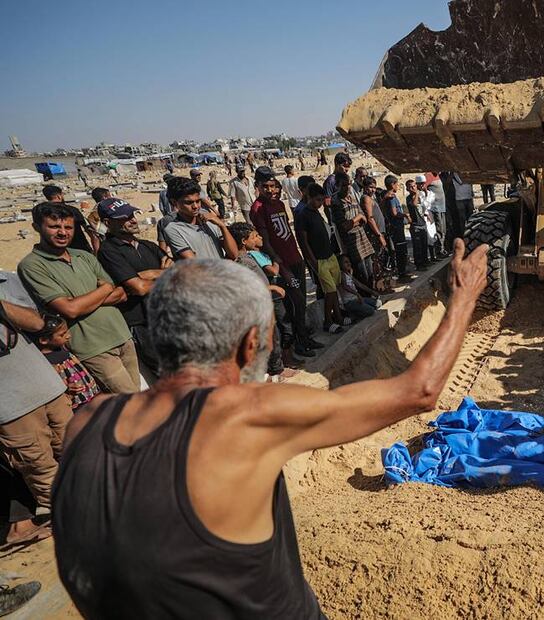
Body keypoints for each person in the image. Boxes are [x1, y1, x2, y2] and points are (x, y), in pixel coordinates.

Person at [51, 241, 488, 617]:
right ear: (249, 344)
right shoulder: (247, 416)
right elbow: (419, 390)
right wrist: (464, 297)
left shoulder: (89, 420)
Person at [18, 202, 139, 394]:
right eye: (54, 226)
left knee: (137, 399)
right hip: (93, 347)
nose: (63, 233)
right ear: (36, 227)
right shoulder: (32, 266)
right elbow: (69, 310)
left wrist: (82, 300)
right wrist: (104, 289)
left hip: (121, 336)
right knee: (132, 402)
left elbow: (121, 294)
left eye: (68, 227)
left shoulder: (83, 256)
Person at [0, 270, 73, 516]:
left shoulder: (5, 280)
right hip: (9, 405)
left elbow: (37, 323)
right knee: (38, 464)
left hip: (46, 385)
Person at [95, 198, 171, 376]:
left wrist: (148, 274)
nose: (132, 220)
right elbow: (139, 288)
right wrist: (162, 274)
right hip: (142, 323)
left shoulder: (147, 246)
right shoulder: (109, 251)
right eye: (124, 218)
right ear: (108, 223)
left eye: (132, 215)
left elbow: (178, 273)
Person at [248, 167, 318, 359]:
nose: (271, 190)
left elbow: (287, 232)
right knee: (293, 306)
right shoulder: (257, 209)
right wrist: (282, 267)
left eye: (273, 186)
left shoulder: (279, 204)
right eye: (266, 187)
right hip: (283, 265)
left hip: (295, 259)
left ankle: (304, 338)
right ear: (258, 187)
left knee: (301, 302)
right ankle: (296, 345)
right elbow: (266, 242)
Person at [228, 223, 295, 378]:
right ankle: (276, 369)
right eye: (254, 236)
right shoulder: (242, 261)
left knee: (275, 334)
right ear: (244, 241)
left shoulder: (248, 257)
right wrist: (271, 288)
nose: (259, 238)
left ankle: (278, 366)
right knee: (271, 336)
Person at [294, 184, 348, 333]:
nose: (320, 203)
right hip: (319, 260)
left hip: (329, 256)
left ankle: (338, 317)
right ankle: (328, 321)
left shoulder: (316, 212)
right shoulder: (302, 215)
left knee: (334, 289)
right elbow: (303, 242)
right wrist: (313, 262)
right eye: (317, 200)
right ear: (308, 197)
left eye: (321, 200)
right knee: (329, 291)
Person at [30, 314, 100, 411]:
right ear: (44, 340)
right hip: (77, 404)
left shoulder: (62, 347)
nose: (68, 336)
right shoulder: (45, 362)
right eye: (62, 334)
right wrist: (66, 388)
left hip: (92, 395)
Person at [162, 177, 238, 261]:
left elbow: (233, 254)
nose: (195, 206)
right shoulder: (174, 230)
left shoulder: (210, 221)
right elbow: (195, 264)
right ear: (174, 202)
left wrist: (222, 226)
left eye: (198, 201)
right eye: (189, 202)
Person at [332, 172, 376, 287]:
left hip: (362, 240)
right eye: (344, 185)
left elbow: (364, 218)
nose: (347, 187)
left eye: (348, 184)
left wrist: (356, 221)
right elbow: (344, 226)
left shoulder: (352, 197)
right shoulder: (336, 202)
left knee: (370, 273)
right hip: (352, 243)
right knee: (362, 275)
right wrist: (358, 218)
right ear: (337, 185)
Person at [43, 186, 100, 253]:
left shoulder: (44, 213)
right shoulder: (72, 210)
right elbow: (90, 232)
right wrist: (96, 252)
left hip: (59, 252)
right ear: (59, 196)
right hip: (80, 249)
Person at [383, 175, 411, 281]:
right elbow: (395, 213)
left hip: (397, 227)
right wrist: (405, 215)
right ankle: (401, 273)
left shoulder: (391, 196)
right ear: (392, 184)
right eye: (397, 184)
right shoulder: (391, 197)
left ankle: (402, 271)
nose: (398, 186)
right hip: (396, 227)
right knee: (400, 250)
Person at [338, 256, 383, 321]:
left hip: (356, 299)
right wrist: (357, 294)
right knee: (371, 310)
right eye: (345, 262)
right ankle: (353, 315)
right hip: (349, 303)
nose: (348, 264)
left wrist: (372, 292)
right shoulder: (342, 274)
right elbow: (345, 286)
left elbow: (360, 285)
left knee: (378, 303)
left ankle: (356, 312)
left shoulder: (349, 274)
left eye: (349, 262)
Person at [407, 177, 430, 268]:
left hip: (422, 223)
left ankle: (425, 261)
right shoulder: (409, 198)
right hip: (416, 225)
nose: (413, 188)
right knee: (417, 247)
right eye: (411, 187)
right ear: (407, 189)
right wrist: (417, 194)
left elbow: (421, 209)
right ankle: (419, 264)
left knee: (424, 245)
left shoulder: (420, 196)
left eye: (414, 186)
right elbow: (414, 205)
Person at [426, 172, 448, 257]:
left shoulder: (438, 175)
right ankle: (439, 251)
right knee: (439, 230)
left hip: (442, 207)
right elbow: (422, 188)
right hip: (435, 208)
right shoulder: (428, 176)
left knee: (443, 229)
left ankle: (442, 248)